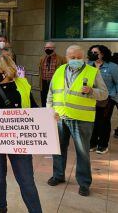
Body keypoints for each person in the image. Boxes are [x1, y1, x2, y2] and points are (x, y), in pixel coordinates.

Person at [0, 55, 43, 213]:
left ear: (6, 70)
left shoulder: (23, 85)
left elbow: (33, 107)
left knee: (26, 180)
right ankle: (1, 208)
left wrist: (48, 116)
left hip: (19, 140)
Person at [47, 45, 108, 197]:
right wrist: (50, 112)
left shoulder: (92, 72)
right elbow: (51, 93)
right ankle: (58, 175)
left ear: (83, 58)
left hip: (82, 119)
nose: (76, 60)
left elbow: (104, 94)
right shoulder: (59, 70)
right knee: (58, 149)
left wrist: (92, 91)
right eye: (72, 57)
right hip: (60, 117)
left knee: (82, 153)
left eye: (79, 57)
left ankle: (84, 183)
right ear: (66, 57)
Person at [87, 45, 118, 154]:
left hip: (107, 98)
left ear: (103, 54)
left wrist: (114, 96)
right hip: (92, 97)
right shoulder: (88, 66)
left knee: (104, 121)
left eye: (96, 52)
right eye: (91, 52)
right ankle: (93, 143)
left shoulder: (112, 67)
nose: (93, 54)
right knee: (93, 121)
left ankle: (103, 145)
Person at [39, 42, 66, 107]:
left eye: (49, 47)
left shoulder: (61, 59)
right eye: (46, 48)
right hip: (44, 82)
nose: (47, 49)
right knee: (44, 99)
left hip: (55, 82)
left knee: (54, 99)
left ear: (54, 48)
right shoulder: (42, 58)